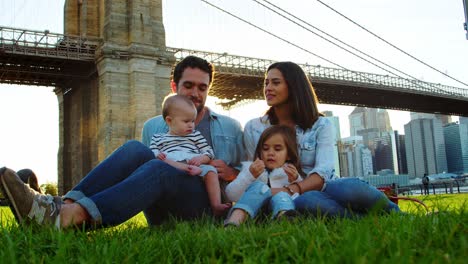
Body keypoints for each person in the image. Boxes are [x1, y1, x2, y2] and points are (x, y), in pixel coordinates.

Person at [0, 55, 244, 229]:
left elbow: (252, 173)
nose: (195, 93)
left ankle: (69, 216)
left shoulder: (230, 127)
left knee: (159, 167)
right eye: (188, 85)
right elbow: (142, 176)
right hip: (165, 209)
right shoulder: (155, 126)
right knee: (135, 149)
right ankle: (60, 206)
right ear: (174, 87)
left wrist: (232, 172)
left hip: (206, 208)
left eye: (202, 87)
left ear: (209, 89)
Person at [224, 61, 400, 225]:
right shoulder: (254, 127)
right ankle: (363, 221)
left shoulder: (321, 125)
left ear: (294, 87)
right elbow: (253, 171)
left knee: (351, 189)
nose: (268, 88)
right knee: (308, 203)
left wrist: (293, 188)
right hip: (286, 198)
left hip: (322, 187)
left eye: (275, 83)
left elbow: (323, 172)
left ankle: (397, 214)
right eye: (266, 83)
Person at [150, 94, 231, 216]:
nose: (191, 125)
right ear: (169, 121)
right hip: (171, 165)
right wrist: (157, 154)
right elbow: (152, 152)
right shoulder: (158, 138)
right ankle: (187, 170)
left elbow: (209, 152)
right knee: (162, 162)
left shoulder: (195, 136)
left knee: (211, 171)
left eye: (192, 121)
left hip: (194, 164)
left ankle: (216, 205)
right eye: (186, 121)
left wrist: (201, 158)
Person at [224, 125, 303, 226]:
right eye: (265, 149)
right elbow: (231, 194)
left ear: (288, 155)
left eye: (277, 149)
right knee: (259, 187)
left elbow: (299, 199)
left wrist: (296, 181)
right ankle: (233, 223)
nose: (270, 153)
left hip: (273, 213)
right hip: (250, 215)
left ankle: (285, 219)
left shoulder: (290, 172)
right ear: (260, 152)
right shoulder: (249, 169)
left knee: (282, 195)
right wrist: (249, 176)